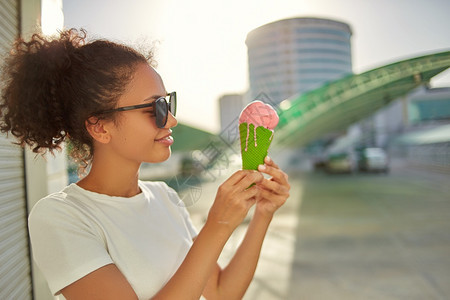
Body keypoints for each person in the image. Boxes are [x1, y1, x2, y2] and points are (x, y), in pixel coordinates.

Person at [0, 29, 290, 300]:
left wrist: (262, 213)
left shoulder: (165, 197)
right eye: (156, 108)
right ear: (100, 128)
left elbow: (221, 292)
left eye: (168, 104)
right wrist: (218, 224)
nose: (172, 120)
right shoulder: (61, 217)